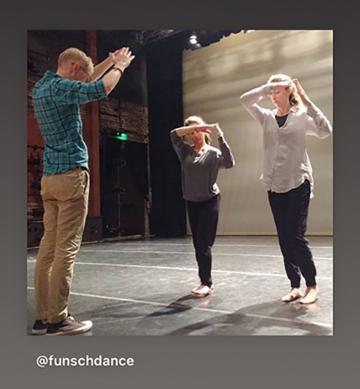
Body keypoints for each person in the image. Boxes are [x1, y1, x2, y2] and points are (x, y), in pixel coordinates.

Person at [31, 46, 135, 335]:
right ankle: (58, 318)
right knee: (66, 248)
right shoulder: (63, 88)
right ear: (74, 67)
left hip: (49, 179)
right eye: (81, 71)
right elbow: (101, 87)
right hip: (70, 178)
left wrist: (108, 61)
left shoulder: (43, 87)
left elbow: (86, 80)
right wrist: (121, 66)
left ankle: (43, 317)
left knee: (48, 249)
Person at [240, 74, 332, 304]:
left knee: (295, 235)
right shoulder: (266, 117)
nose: (272, 95)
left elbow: (325, 130)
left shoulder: (301, 117)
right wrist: (266, 87)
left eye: (277, 90)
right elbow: (245, 100)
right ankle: (294, 285)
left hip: (298, 181)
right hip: (274, 183)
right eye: (271, 91)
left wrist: (307, 101)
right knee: (283, 237)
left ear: (289, 92)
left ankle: (311, 285)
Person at [170, 116, 235, 297]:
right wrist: (193, 127)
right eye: (190, 131)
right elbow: (173, 135)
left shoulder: (213, 153)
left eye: (197, 129)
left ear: (205, 130)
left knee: (204, 243)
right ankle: (205, 281)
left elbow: (229, 163)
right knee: (199, 244)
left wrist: (221, 138)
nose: (194, 133)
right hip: (192, 201)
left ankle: (206, 283)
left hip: (210, 201)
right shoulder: (184, 152)